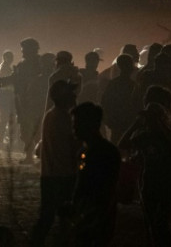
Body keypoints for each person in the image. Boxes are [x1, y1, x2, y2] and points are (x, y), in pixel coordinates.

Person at [119, 103, 171, 246]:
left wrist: (136, 125)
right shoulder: (153, 136)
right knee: (156, 223)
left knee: (156, 223)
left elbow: (122, 143)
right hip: (158, 182)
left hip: (158, 182)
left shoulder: (158, 136)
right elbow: (123, 145)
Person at [30, 81, 80, 246]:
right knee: (62, 217)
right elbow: (72, 146)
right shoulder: (64, 118)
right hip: (63, 174)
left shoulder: (51, 115)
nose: (75, 96)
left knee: (48, 216)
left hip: (51, 173)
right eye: (71, 94)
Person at [71, 102, 121, 246]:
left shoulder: (106, 153)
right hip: (85, 216)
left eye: (77, 123)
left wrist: (96, 218)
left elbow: (107, 190)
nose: (74, 128)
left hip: (97, 218)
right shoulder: (84, 151)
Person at [101, 54, 138, 144]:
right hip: (128, 122)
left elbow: (105, 102)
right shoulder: (133, 85)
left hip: (116, 122)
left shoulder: (113, 84)